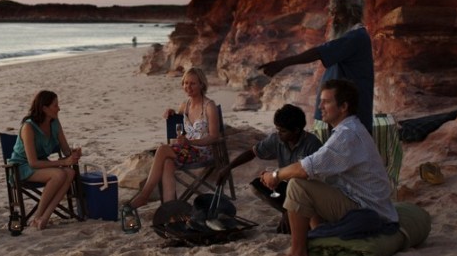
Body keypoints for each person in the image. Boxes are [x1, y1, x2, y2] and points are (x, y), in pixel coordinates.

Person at [260, 79, 398, 256]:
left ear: (343, 107)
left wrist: (275, 175)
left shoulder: (347, 135)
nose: (320, 106)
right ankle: (318, 238)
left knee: (298, 185)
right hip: (363, 202)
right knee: (310, 181)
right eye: (320, 101)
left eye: (326, 102)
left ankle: (297, 254)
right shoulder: (348, 129)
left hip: (367, 209)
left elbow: (305, 168)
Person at [259, 0, 374, 134]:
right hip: (339, 111)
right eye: (332, 14)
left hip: (348, 114)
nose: (334, 20)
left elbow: (319, 52)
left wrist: (282, 63)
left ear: (352, 14)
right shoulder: (351, 36)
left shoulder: (356, 37)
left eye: (338, 14)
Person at [123, 68, 221, 225]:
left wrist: (191, 142)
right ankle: (170, 209)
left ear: (202, 85)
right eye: (185, 83)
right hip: (187, 150)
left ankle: (144, 195)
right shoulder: (186, 105)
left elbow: (214, 137)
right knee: (167, 162)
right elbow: (177, 114)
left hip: (203, 151)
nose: (188, 87)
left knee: (162, 150)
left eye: (192, 84)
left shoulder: (209, 106)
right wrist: (171, 112)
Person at [227, 104, 322, 233]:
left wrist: (291, 209)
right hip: (287, 187)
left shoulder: (312, 144)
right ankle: (287, 211)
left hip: (307, 190)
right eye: (278, 129)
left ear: (296, 130)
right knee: (257, 185)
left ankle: (295, 213)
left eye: (283, 131)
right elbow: (252, 152)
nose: (279, 134)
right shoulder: (277, 139)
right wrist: (228, 168)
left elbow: (315, 180)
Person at [7, 90, 81, 230]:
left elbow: (65, 150)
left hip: (42, 165)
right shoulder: (28, 127)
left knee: (70, 173)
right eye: (55, 105)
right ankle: (37, 218)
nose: (59, 108)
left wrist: (74, 154)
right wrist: (64, 162)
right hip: (21, 168)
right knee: (59, 174)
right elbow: (33, 162)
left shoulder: (55, 123)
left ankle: (45, 217)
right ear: (44, 108)